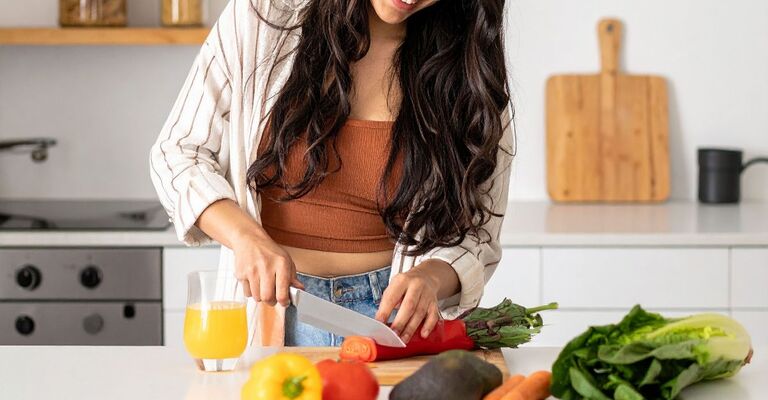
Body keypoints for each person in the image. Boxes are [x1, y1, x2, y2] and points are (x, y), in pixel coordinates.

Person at [150, 0, 514, 347]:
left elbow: (478, 236)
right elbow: (178, 153)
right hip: (270, 309)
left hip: (390, 325)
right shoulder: (263, 17)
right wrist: (245, 238)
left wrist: (431, 277)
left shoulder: (469, 69)